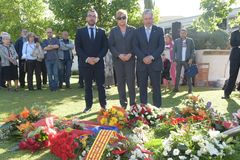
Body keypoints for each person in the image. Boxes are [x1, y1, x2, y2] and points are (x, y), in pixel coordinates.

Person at [75, 8, 108, 113]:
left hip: (99, 63)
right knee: (87, 86)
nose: (92, 18)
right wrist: (87, 59)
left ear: (96, 19)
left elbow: (105, 47)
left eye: (94, 16)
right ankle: (88, 106)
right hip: (86, 64)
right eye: (90, 15)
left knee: (101, 86)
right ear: (86, 18)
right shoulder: (80, 31)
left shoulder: (102, 32)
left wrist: (98, 58)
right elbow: (78, 48)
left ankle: (104, 106)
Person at [133, 9, 165, 108]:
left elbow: (161, 46)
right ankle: (144, 110)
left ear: (153, 18)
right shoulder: (137, 31)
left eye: (150, 18)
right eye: (146, 19)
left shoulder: (159, 30)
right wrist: (143, 58)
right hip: (142, 64)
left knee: (156, 88)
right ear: (143, 19)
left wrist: (151, 57)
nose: (148, 21)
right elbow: (135, 46)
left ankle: (158, 109)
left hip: (155, 64)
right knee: (142, 88)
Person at [109, 9, 136, 109]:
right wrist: (119, 55)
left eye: (124, 17)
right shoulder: (113, 31)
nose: (122, 20)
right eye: (119, 18)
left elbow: (136, 44)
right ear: (116, 19)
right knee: (120, 83)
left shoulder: (133, 30)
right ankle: (123, 106)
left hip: (130, 60)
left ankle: (133, 105)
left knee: (131, 82)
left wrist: (131, 53)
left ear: (127, 18)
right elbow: (111, 46)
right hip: (118, 61)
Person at [173, 28, 195, 94]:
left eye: (184, 33)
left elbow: (193, 50)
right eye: (181, 33)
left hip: (187, 60)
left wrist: (191, 59)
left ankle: (190, 90)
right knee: (177, 75)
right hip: (179, 60)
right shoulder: (176, 41)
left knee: (188, 75)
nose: (182, 34)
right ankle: (176, 88)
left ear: (186, 33)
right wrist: (174, 59)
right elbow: (174, 51)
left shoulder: (190, 40)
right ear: (179, 34)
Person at [222, 28, 240, 99]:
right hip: (235, 55)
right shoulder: (234, 33)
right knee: (233, 75)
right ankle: (227, 94)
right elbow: (232, 43)